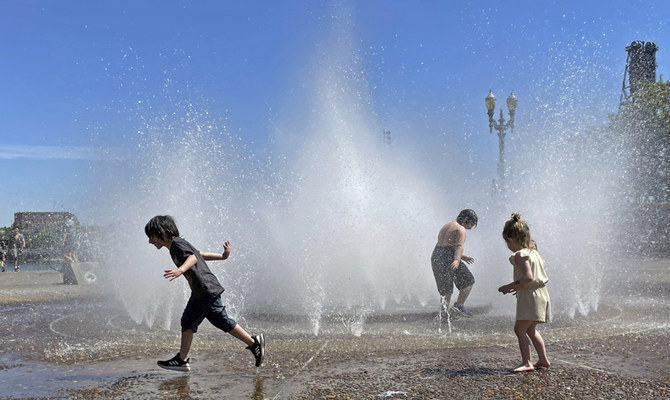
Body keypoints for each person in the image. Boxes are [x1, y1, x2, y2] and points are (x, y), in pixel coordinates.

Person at [145, 215, 265, 372]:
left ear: (160, 232)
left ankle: (253, 343)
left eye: (151, 237)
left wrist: (180, 270)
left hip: (207, 290)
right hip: (199, 293)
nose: (150, 241)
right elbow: (199, 254)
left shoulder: (177, 244)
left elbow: (193, 257)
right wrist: (222, 256)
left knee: (220, 320)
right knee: (187, 321)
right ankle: (182, 360)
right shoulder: (177, 246)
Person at [498, 213, 551, 373]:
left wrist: (510, 286)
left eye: (506, 241)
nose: (507, 245)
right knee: (530, 329)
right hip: (540, 293)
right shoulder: (533, 252)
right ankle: (543, 359)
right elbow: (531, 278)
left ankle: (527, 362)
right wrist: (519, 287)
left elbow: (528, 276)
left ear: (511, 239)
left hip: (531, 296)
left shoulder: (520, 255)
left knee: (519, 329)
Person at [431, 209, 478, 318]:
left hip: (437, 256)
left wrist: (462, 257)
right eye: (471, 224)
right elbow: (458, 246)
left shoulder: (447, 225)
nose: (470, 228)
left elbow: (445, 246)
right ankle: (459, 306)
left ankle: (444, 312)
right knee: (468, 280)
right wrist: (457, 260)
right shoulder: (461, 229)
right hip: (449, 258)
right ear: (466, 219)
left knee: (446, 287)